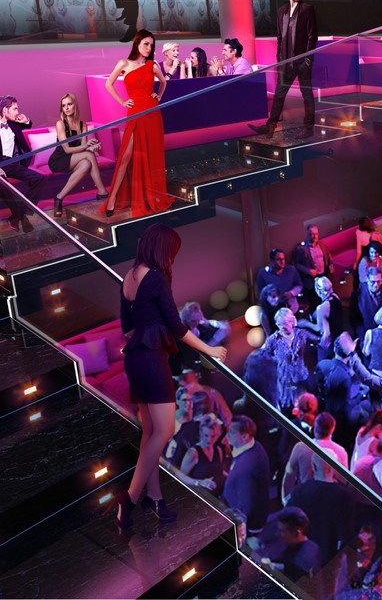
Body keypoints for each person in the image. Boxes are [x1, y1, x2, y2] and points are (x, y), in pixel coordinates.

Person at [113, 224, 227, 528]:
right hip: (151, 360)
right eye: (172, 252)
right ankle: (130, 497)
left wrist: (149, 329)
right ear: (163, 249)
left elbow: (127, 329)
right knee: (163, 431)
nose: (172, 258)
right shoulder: (156, 278)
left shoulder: (129, 276)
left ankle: (155, 498)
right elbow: (177, 327)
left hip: (135, 359)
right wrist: (210, 350)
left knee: (150, 433)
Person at [102, 30, 173, 218]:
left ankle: (150, 197)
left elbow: (164, 82)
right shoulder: (124, 63)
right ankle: (112, 198)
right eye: (145, 44)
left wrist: (158, 96)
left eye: (151, 45)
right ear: (137, 44)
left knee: (151, 155)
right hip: (134, 112)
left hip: (152, 113)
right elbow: (108, 84)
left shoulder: (152, 65)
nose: (149, 48)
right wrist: (122, 102)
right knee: (126, 156)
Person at [256, 0, 318, 137]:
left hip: (302, 61)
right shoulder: (281, 11)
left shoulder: (307, 9)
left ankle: (308, 128)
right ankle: (270, 127)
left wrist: (307, 60)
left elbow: (312, 36)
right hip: (285, 61)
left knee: (307, 94)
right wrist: (279, 57)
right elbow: (280, 36)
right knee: (279, 94)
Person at [0, 94, 45, 233]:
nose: (17, 112)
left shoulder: (14, 123)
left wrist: (26, 120)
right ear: (4, 110)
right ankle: (21, 217)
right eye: (15, 109)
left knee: (40, 178)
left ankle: (18, 215)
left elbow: (28, 124)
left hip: (14, 164)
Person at [49, 92, 107, 217]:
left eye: (69, 104)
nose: (66, 108)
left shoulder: (82, 125)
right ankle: (102, 192)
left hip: (74, 158)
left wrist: (92, 147)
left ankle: (59, 197)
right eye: (64, 105)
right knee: (89, 156)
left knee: (86, 163)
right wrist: (87, 148)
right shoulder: (60, 124)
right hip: (59, 159)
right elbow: (67, 150)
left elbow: (83, 147)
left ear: (75, 105)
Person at [259, 307, 319, 410]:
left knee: (303, 405)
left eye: (286, 323)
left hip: (300, 376)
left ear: (292, 321)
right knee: (286, 406)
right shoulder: (273, 340)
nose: (283, 327)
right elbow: (263, 356)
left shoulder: (302, 334)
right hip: (284, 378)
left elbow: (320, 341)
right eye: (280, 324)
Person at [223, 415, 271, 534]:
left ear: (244, 436)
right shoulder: (256, 446)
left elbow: (245, 505)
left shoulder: (246, 467)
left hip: (248, 525)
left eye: (232, 432)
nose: (227, 435)